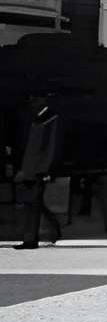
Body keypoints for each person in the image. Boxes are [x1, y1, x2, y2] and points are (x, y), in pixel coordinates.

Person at [13, 98, 62, 251]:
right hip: (31, 170)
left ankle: (32, 239)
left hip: (34, 171)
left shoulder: (47, 122)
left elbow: (46, 149)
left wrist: (42, 171)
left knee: (32, 206)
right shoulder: (42, 122)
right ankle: (32, 238)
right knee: (33, 205)